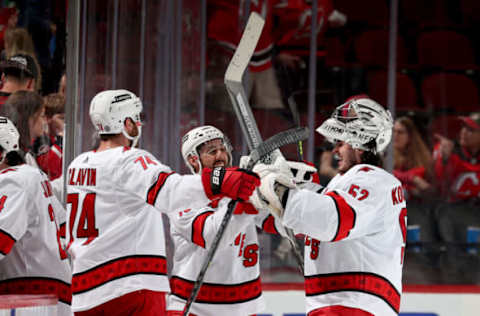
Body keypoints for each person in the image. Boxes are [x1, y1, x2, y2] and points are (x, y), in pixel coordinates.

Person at [66, 89, 259, 316]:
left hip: (84, 292)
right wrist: (220, 180)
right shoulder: (129, 160)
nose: (140, 125)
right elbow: (170, 192)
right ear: (127, 123)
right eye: (138, 119)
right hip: (130, 287)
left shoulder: (77, 165)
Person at [252, 97, 406, 316]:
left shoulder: (373, 180)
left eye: (340, 143)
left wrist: (279, 189)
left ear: (360, 144)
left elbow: (331, 220)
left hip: (355, 305)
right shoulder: (347, 184)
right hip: (342, 305)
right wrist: (254, 195)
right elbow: (298, 223)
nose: (335, 151)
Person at [167, 125, 295, 316]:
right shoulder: (182, 195)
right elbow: (211, 236)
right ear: (194, 161)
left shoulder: (243, 187)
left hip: (245, 307)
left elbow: (283, 226)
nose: (221, 155)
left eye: (223, 148)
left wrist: (290, 195)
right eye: (212, 151)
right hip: (193, 307)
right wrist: (244, 199)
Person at [0, 116, 72, 315]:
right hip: (50, 288)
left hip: (31, 294)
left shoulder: (12, 181)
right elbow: (64, 226)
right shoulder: (32, 175)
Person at [434, 112, 480, 244]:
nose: (464, 132)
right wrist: (445, 160)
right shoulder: (447, 149)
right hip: (450, 209)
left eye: (471, 130)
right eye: (463, 127)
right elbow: (439, 185)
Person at [393, 116, 435, 243]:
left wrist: (411, 186)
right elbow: (387, 174)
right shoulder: (386, 157)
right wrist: (413, 179)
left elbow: (429, 189)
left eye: (400, 132)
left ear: (410, 136)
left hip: (417, 208)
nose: (395, 135)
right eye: (393, 131)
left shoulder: (424, 160)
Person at [35, 92, 64, 180]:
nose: (66, 123)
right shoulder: (40, 140)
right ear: (47, 118)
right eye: (62, 118)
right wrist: (60, 140)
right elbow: (49, 168)